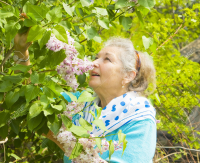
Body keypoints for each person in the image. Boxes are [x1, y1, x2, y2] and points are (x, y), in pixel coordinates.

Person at [14, 33, 157, 163]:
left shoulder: (140, 118)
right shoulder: (81, 102)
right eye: (96, 58)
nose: (94, 63)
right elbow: (30, 98)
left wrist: (60, 138)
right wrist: (21, 50)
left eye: (107, 59)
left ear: (128, 76)